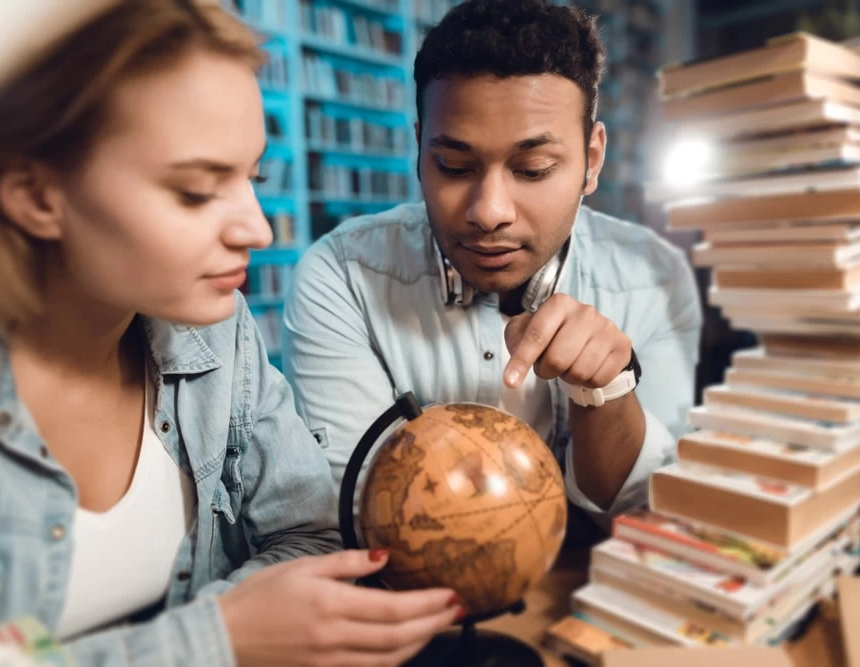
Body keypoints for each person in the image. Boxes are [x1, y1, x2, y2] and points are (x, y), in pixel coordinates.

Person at [0, 2, 462, 665]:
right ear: (33, 193)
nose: (258, 231)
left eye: (253, 177)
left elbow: (311, 533)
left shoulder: (222, 332)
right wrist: (219, 637)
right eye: (198, 192)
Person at [283, 0, 702, 530]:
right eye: (454, 167)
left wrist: (607, 392)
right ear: (418, 150)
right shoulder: (339, 278)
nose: (489, 213)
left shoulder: (656, 279)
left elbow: (653, 514)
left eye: (533, 169)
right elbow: (360, 512)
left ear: (592, 162)